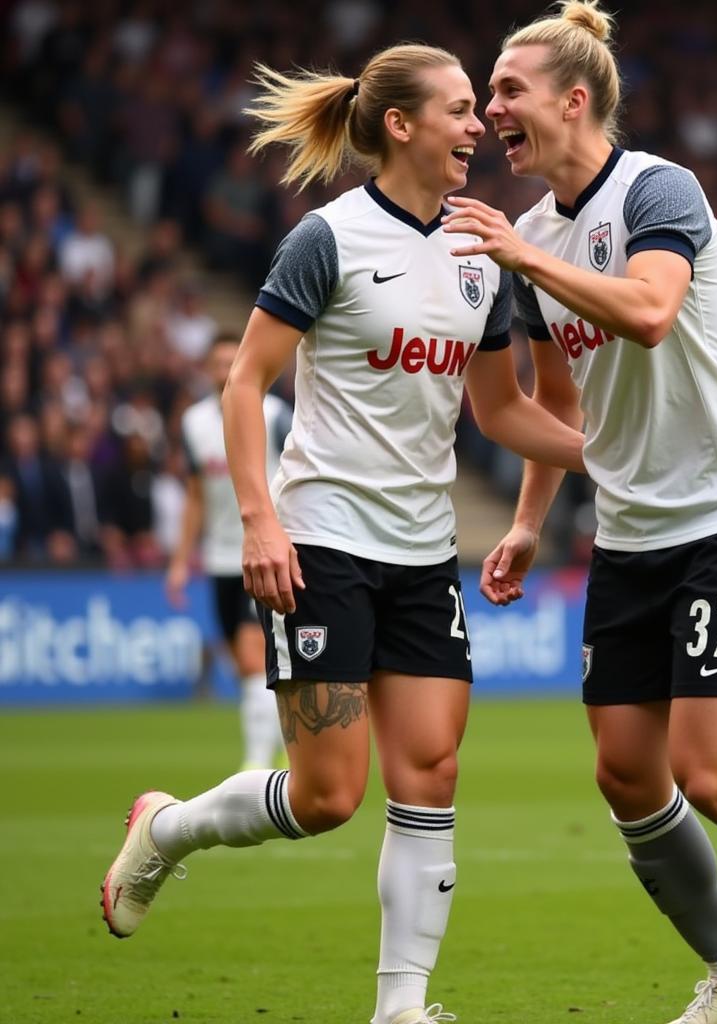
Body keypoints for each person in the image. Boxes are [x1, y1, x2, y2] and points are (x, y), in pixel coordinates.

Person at [101, 44, 585, 1024]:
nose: (476, 126)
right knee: (327, 797)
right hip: (321, 542)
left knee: (432, 771)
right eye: (457, 109)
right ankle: (169, 829)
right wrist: (258, 521)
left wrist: (609, 456)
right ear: (399, 125)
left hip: (423, 552)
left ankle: (400, 1008)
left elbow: (498, 412)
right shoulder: (327, 239)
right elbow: (245, 382)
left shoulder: (476, 251)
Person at [443, 4, 717, 1024]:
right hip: (629, 534)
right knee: (625, 774)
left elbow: (646, 313)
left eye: (508, 88)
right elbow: (556, 407)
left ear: (574, 98)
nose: (492, 107)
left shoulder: (656, 189)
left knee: (713, 774)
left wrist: (523, 259)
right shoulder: (535, 239)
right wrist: (524, 520)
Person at [165, 333, 291, 770]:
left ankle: (257, 763)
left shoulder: (275, 415)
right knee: (244, 663)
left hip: (267, 553)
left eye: (230, 362)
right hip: (220, 558)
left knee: (253, 650)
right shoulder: (194, 424)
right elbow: (196, 496)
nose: (223, 371)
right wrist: (181, 561)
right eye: (216, 364)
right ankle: (271, 741)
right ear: (207, 369)